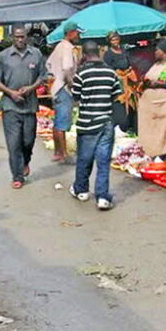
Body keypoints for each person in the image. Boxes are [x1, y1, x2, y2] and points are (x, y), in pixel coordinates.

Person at [0, 27, 47, 188]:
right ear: (12, 38)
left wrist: (30, 88)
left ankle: (25, 161)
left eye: (22, 37)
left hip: (30, 105)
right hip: (10, 106)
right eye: (17, 37)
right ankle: (17, 176)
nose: (20, 40)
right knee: (13, 142)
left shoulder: (35, 54)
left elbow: (43, 76)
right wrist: (11, 93)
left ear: (27, 37)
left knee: (28, 140)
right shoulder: (4, 56)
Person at [70, 41, 122, 210]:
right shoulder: (110, 72)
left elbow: (76, 97)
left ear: (84, 55)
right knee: (103, 161)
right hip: (106, 121)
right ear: (99, 52)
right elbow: (116, 94)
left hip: (87, 123)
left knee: (84, 158)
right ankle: (102, 197)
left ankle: (81, 190)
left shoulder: (81, 73)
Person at [47, 21, 81, 161]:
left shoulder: (59, 47)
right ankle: (64, 154)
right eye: (77, 32)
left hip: (56, 86)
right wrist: (71, 83)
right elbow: (67, 68)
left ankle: (58, 152)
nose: (78, 35)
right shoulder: (67, 48)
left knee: (58, 121)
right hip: (63, 88)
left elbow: (48, 64)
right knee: (62, 122)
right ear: (70, 33)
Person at [103, 31, 134, 133]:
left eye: (116, 39)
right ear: (109, 42)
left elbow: (129, 64)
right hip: (116, 83)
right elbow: (108, 70)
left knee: (131, 103)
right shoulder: (108, 54)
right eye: (113, 40)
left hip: (128, 81)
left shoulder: (124, 51)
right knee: (119, 104)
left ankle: (130, 125)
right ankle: (120, 126)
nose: (115, 41)